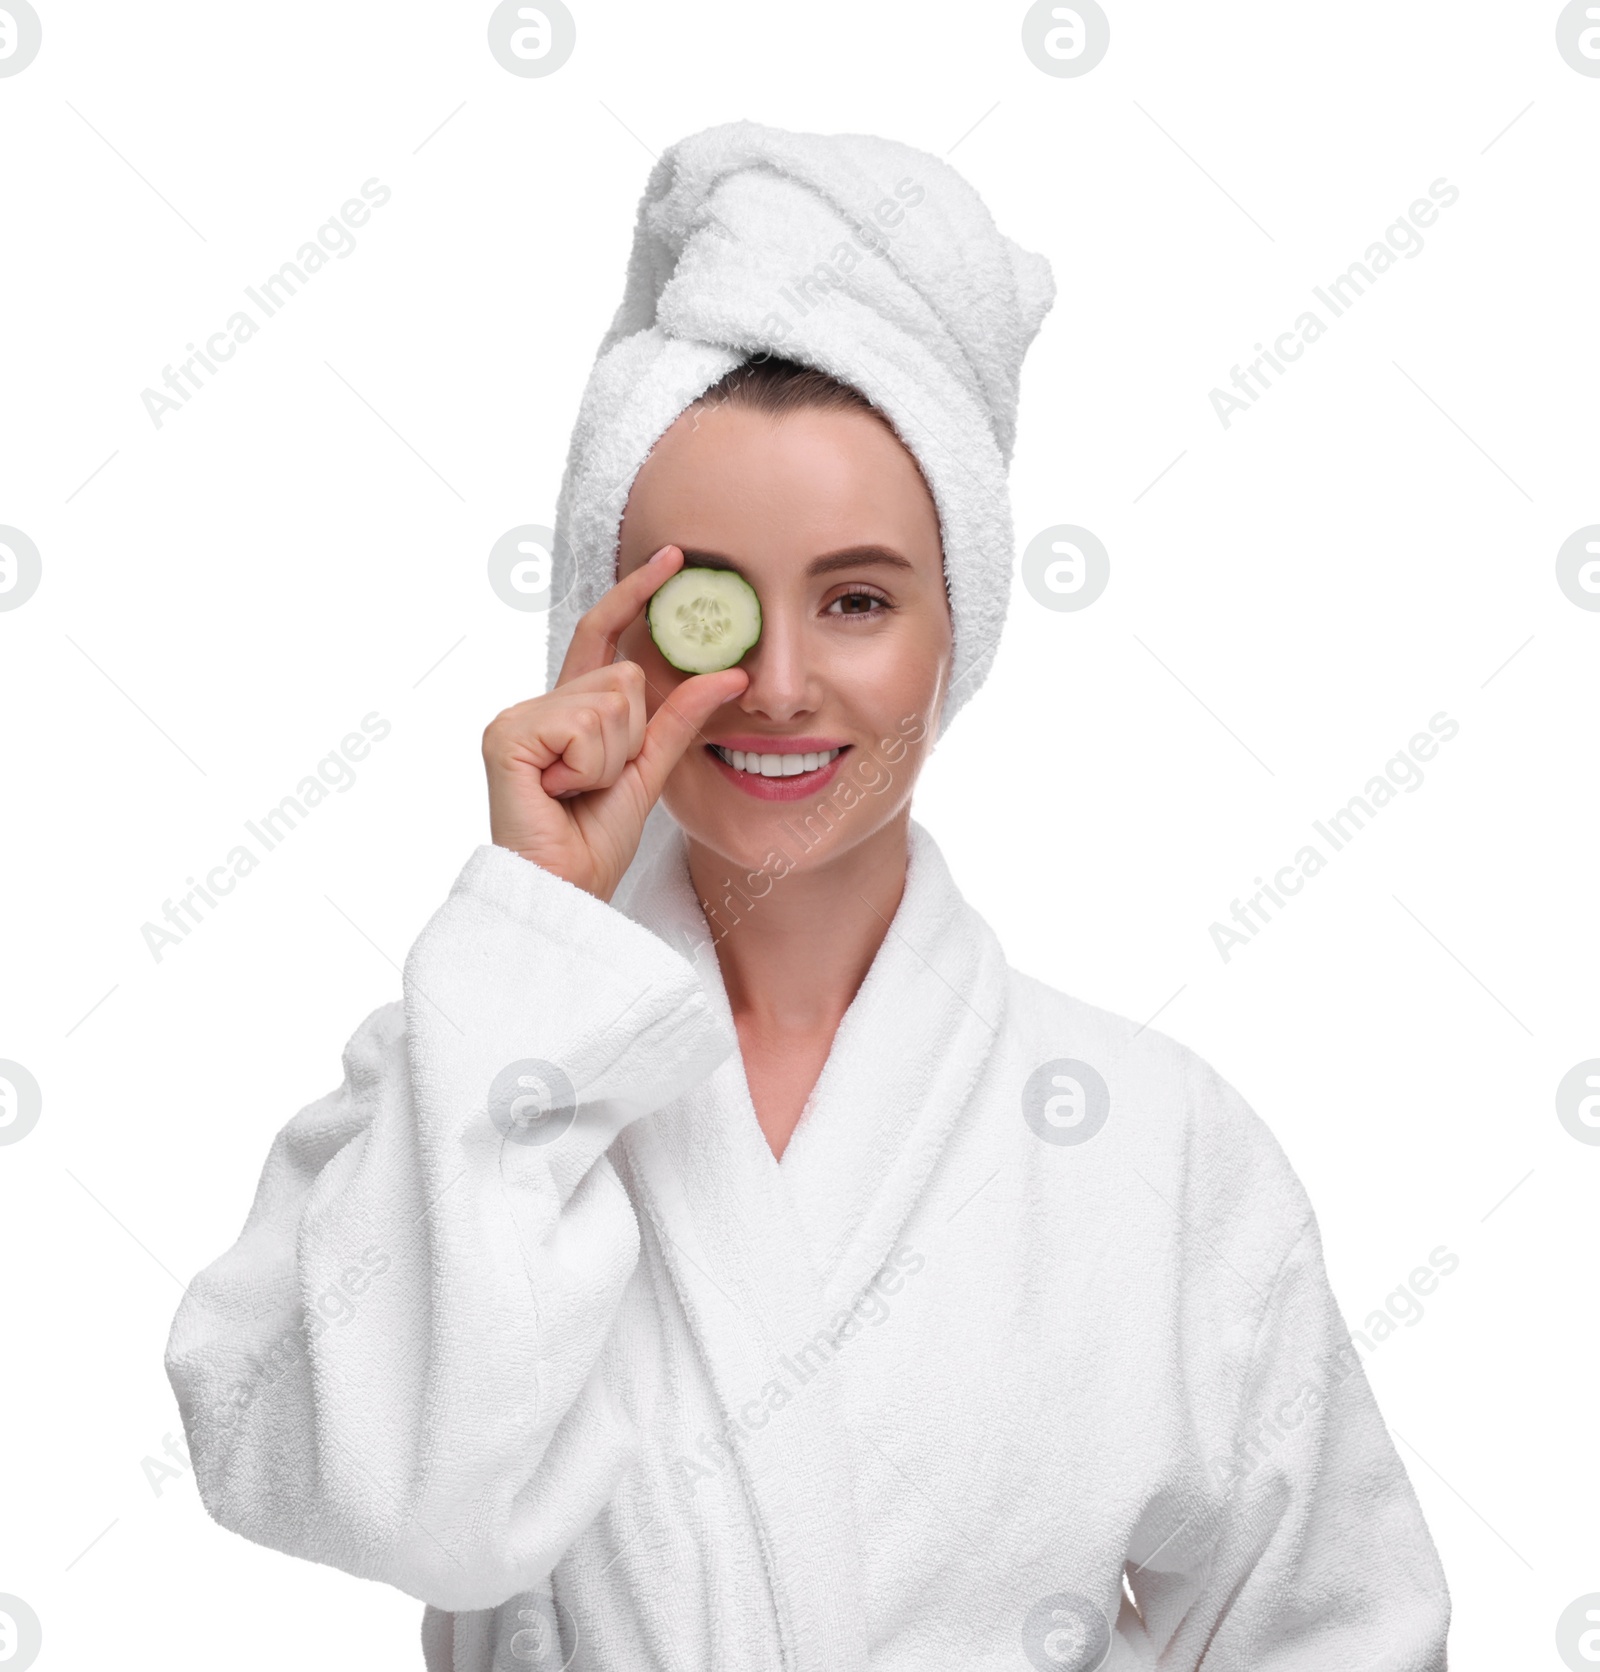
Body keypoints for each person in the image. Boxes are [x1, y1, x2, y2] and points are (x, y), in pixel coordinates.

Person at [165, 123, 1451, 1671]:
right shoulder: (471, 1078)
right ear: (608, 630)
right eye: (708, 596)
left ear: (955, 628)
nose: (777, 685)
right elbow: (383, 1504)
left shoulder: (1154, 1142)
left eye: (855, 600)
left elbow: (1341, 1632)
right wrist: (536, 928)